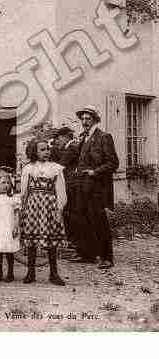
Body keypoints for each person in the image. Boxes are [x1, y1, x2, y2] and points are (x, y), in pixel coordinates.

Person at [72, 105, 119, 269]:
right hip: (82, 186)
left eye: (88, 119)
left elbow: (113, 163)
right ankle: (88, 254)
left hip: (97, 188)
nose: (85, 121)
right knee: (83, 220)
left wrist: (94, 172)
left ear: (95, 120)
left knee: (99, 221)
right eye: (83, 119)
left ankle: (107, 258)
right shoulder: (83, 138)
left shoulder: (104, 137)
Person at [20, 138, 67, 286]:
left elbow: (61, 190)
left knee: (51, 240)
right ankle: (30, 272)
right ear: (34, 151)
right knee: (31, 240)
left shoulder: (55, 168)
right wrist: (23, 208)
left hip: (49, 205)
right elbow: (24, 190)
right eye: (42, 149)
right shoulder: (28, 168)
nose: (46, 152)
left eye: (47, 149)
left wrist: (59, 208)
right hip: (33, 205)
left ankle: (54, 273)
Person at [51, 126, 80, 246]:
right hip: (69, 184)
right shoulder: (69, 147)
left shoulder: (72, 147)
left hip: (71, 184)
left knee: (70, 212)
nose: (57, 142)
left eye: (58, 139)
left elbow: (61, 164)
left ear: (64, 137)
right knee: (68, 212)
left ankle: (73, 240)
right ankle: (72, 240)